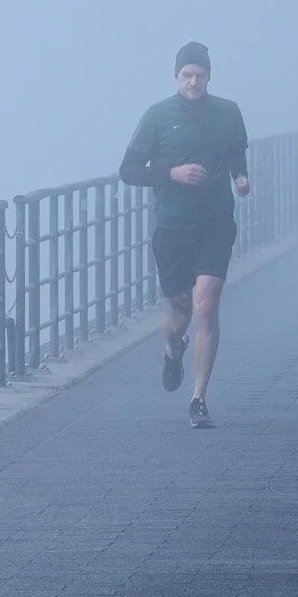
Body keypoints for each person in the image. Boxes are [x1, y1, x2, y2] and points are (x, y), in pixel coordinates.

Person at [119, 42, 250, 428]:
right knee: (178, 314)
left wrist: (241, 176)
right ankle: (173, 350)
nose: (194, 82)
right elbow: (128, 171)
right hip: (173, 226)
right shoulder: (157, 116)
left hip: (215, 222)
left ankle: (198, 399)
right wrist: (171, 174)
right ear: (176, 77)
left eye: (200, 75)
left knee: (206, 304)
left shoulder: (228, 112)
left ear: (210, 77)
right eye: (187, 75)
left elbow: (235, 151)